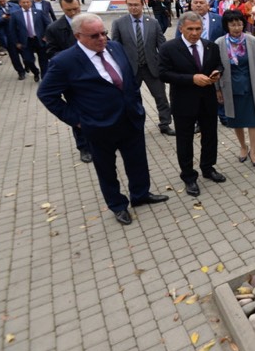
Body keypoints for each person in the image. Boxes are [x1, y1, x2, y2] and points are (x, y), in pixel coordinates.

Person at [37, 14, 168, 226]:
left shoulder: (115, 47)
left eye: (104, 33)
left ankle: (140, 194)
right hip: (98, 126)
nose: (102, 38)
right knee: (106, 169)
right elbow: (46, 94)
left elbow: (128, 78)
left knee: (137, 161)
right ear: (78, 36)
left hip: (130, 119)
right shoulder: (64, 62)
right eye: (95, 35)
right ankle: (117, 205)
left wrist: (137, 105)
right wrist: (77, 120)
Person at [159, 12, 226, 198]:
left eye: (198, 29)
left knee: (210, 136)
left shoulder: (211, 46)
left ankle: (208, 167)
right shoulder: (169, 48)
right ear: (181, 28)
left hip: (208, 100)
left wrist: (217, 73)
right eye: (190, 29)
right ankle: (188, 175)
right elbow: (163, 74)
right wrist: (191, 79)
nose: (195, 33)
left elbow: (219, 65)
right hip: (184, 102)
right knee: (185, 140)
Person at [110, 0, 175, 136]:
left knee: (161, 98)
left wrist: (166, 65)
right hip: (131, 70)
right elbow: (115, 47)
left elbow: (162, 45)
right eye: (130, 5)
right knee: (131, 99)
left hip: (152, 67)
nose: (133, 8)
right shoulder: (119, 23)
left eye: (136, 5)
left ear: (142, 5)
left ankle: (165, 123)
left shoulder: (153, 23)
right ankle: (133, 125)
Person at [43, 0, 92, 163]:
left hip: (93, 74)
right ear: (62, 8)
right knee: (77, 112)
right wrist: (72, 58)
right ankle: (84, 147)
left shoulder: (89, 22)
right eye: (69, 10)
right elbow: (51, 52)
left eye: (76, 9)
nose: (73, 13)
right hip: (72, 79)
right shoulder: (54, 29)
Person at [216, 10, 255, 167]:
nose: (236, 28)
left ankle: (254, 151)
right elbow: (216, 69)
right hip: (230, 88)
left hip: (250, 86)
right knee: (236, 120)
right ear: (226, 26)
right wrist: (217, 89)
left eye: (239, 24)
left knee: (252, 120)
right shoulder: (219, 43)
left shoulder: (250, 40)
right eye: (232, 25)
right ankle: (243, 147)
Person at [9, 0, 50, 81]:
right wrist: (16, 42)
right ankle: (35, 72)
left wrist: (46, 36)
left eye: (27, 2)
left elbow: (48, 24)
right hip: (25, 41)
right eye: (23, 2)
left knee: (43, 60)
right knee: (28, 60)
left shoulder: (39, 12)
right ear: (20, 3)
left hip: (39, 39)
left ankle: (44, 78)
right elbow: (12, 30)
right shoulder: (15, 14)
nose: (26, 4)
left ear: (30, 2)